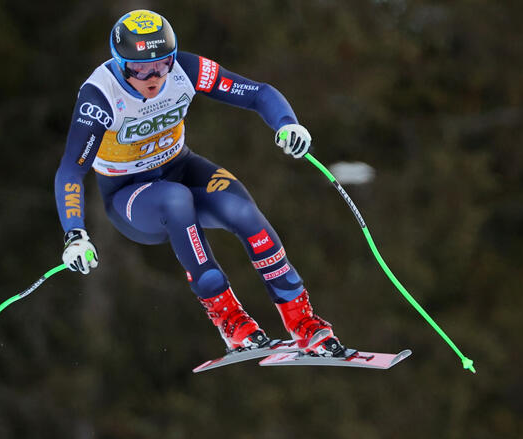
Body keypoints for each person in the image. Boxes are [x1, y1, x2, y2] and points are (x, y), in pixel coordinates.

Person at [55, 9, 345, 357]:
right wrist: (75, 234)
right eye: (141, 69)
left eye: (162, 64)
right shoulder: (100, 97)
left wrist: (287, 124)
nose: (154, 77)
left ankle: (303, 322)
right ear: (119, 63)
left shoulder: (185, 71)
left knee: (242, 211)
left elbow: (256, 92)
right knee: (176, 200)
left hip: (179, 165)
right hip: (128, 194)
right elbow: (71, 171)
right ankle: (230, 320)